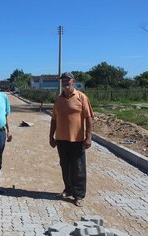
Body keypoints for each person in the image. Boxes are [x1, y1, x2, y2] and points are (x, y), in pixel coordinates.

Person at [49, 72, 93, 207]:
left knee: (78, 168)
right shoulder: (58, 99)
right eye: (63, 80)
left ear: (73, 81)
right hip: (62, 139)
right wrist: (51, 136)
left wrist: (88, 137)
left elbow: (89, 118)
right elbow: (54, 119)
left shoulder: (81, 97)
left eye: (68, 80)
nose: (65, 82)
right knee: (65, 166)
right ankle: (68, 189)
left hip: (77, 140)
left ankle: (79, 195)